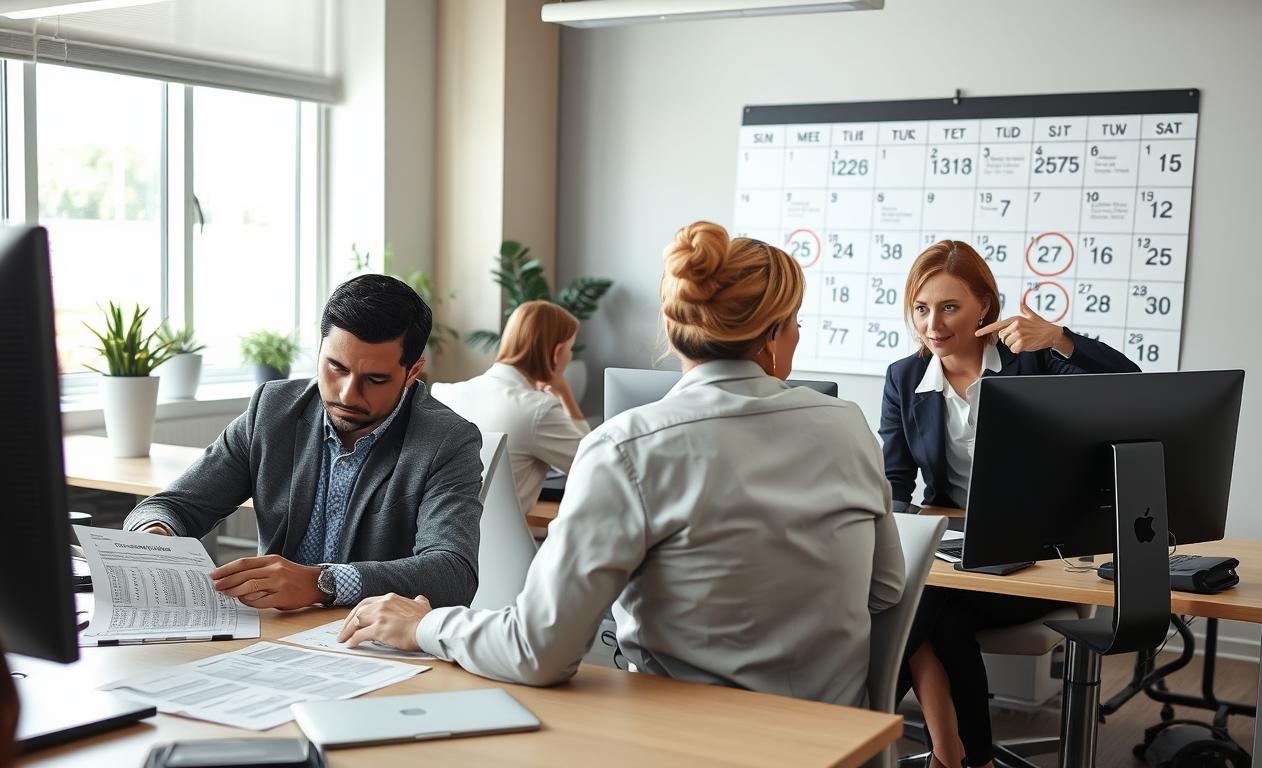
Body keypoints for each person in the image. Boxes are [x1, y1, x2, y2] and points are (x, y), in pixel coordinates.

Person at [338, 221, 907, 708]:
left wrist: (423, 625)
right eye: (796, 322)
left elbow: (540, 650)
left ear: (672, 328)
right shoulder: (847, 425)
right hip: (832, 743)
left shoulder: (629, 447)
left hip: (685, 742)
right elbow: (883, 589)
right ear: (773, 335)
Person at [880, 240, 1139, 768]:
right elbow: (896, 485)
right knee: (936, 613)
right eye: (922, 308)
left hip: (1039, 556)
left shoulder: (1036, 361)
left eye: (950, 307)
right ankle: (960, 757)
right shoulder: (905, 378)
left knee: (915, 609)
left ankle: (856, 724)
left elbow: (1130, 388)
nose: (934, 324)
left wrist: (1063, 339)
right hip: (954, 553)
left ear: (985, 307)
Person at [123, 274, 484, 610]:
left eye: (375, 379)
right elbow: (174, 505)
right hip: (273, 636)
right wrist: (156, 533)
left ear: (412, 373)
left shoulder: (446, 441)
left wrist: (322, 582)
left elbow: (453, 573)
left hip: (376, 642)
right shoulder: (272, 410)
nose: (347, 393)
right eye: (336, 367)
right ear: (320, 349)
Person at [432, 300, 589, 514]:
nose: (570, 357)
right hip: (509, 547)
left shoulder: (445, 395)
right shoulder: (538, 411)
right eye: (570, 349)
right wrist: (566, 395)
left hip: (440, 541)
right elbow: (592, 462)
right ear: (557, 352)